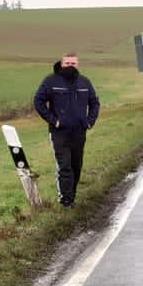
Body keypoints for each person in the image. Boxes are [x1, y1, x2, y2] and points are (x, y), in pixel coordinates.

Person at [33, 53, 101, 207]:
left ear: (78, 65)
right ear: (62, 64)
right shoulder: (51, 81)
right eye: (67, 63)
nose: (71, 65)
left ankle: (72, 197)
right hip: (59, 132)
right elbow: (38, 101)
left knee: (76, 166)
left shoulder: (84, 82)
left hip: (79, 132)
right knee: (65, 167)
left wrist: (90, 121)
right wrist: (53, 120)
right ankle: (66, 201)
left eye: (74, 63)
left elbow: (95, 103)